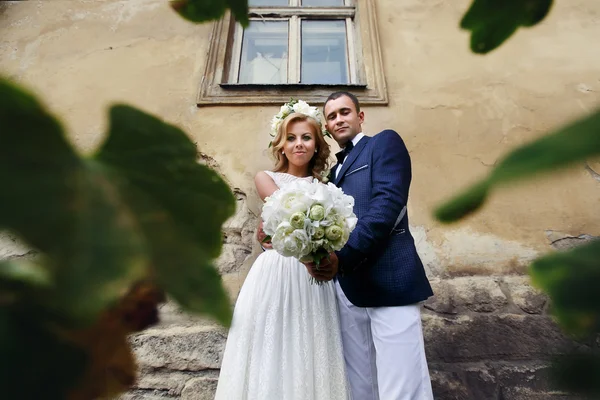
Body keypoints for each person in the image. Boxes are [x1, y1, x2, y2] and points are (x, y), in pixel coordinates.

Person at [304, 91, 435, 399]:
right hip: (347, 289)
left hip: (389, 278)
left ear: (360, 116)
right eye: (332, 116)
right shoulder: (332, 174)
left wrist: (343, 256)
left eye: (345, 112)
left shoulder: (383, 143)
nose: (339, 119)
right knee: (361, 385)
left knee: (402, 383)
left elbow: (387, 205)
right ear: (327, 126)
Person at [214, 108, 351, 400]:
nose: (298, 143)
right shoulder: (266, 178)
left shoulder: (326, 187)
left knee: (310, 343)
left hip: (311, 277)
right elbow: (283, 209)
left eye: (306, 137)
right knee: (270, 342)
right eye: (291, 138)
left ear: (316, 145)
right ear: (281, 145)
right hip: (275, 272)